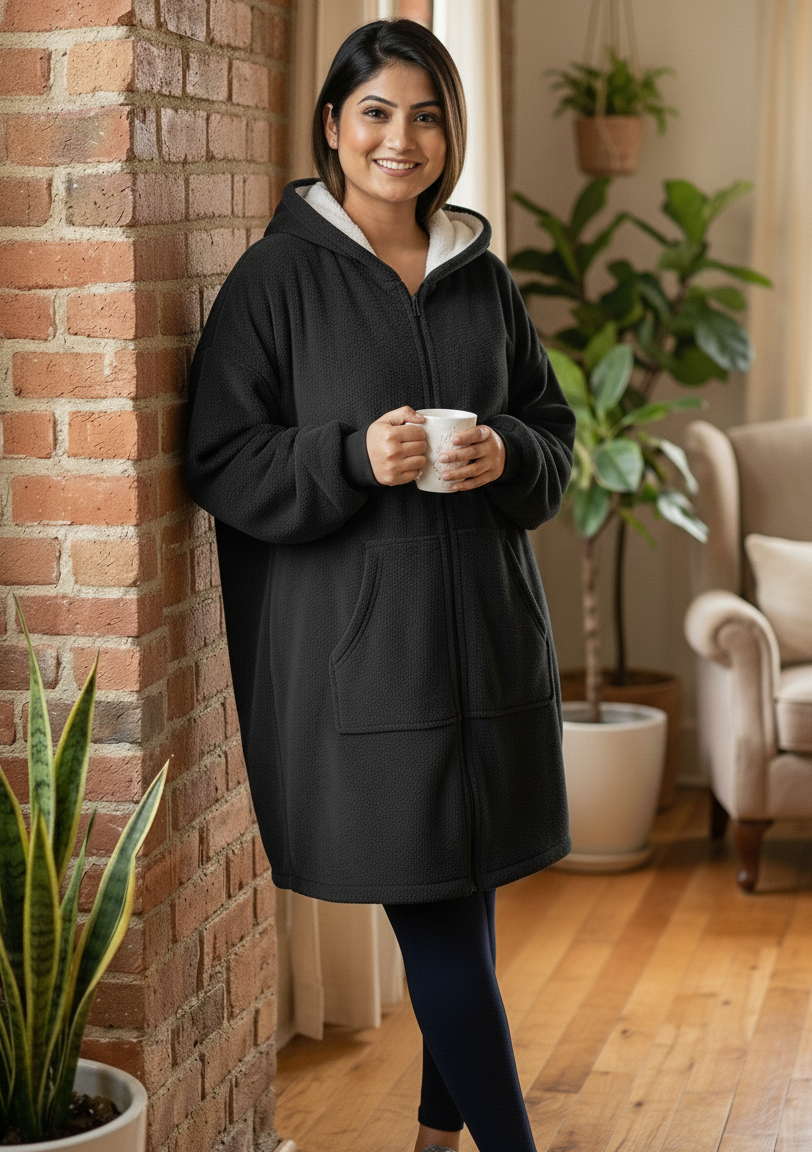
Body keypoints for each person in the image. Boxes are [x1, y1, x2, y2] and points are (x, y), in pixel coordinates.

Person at [185, 18, 576, 1152]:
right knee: (443, 921)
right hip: (367, 670)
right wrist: (349, 456)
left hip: (492, 648)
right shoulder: (273, 282)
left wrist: (506, 449)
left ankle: (433, 1135)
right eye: (374, 113)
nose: (399, 139)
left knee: (471, 893)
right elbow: (217, 457)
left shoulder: (480, 276)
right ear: (330, 129)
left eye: (424, 114)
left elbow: (551, 432)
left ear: (447, 133)